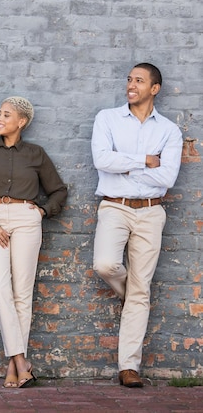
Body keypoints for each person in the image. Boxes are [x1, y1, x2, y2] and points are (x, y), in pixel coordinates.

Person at [91, 63, 182, 388]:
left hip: (151, 211)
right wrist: (144, 159)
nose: (131, 85)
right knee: (105, 264)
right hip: (115, 207)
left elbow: (167, 177)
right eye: (130, 79)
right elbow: (102, 160)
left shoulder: (169, 131)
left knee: (142, 289)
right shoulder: (107, 119)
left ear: (154, 88)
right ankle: (134, 298)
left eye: (139, 81)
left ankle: (128, 367)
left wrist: (124, 162)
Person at [0, 96, 67, 388]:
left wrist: (42, 211)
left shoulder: (36, 153)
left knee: (22, 293)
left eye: (6, 115)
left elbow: (59, 191)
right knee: (1, 289)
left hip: (26, 220)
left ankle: (14, 367)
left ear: (21, 122)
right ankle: (22, 361)